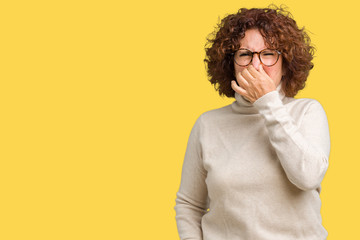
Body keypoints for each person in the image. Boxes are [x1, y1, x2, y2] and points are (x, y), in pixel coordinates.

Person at [174, 5, 330, 240]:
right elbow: (189, 204)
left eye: (268, 54)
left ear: (286, 63)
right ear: (232, 64)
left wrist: (267, 102)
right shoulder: (207, 124)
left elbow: (308, 177)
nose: (256, 66)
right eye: (245, 54)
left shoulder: (307, 112)